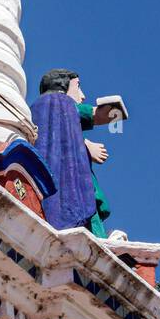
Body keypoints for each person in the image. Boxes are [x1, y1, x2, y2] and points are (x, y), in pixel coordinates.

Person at [30, 68, 113, 236]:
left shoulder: (37, 108)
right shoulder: (62, 102)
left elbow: (60, 140)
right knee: (91, 220)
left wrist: (83, 145)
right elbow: (102, 114)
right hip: (74, 192)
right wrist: (117, 108)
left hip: (45, 189)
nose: (82, 96)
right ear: (63, 86)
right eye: (78, 87)